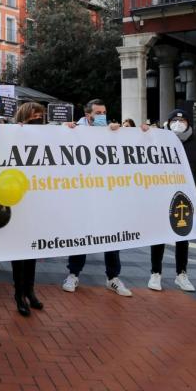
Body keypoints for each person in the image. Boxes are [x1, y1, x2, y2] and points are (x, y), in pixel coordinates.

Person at [62, 99, 132, 297]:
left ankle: (113, 278)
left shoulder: (111, 131)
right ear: (88, 115)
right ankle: (73, 274)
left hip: (107, 194)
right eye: (98, 112)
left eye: (104, 112)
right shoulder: (75, 130)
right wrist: (65, 129)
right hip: (83, 194)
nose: (102, 115)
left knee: (112, 234)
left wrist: (129, 132)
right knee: (81, 234)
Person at [148, 109, 196, 293]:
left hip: (187, 197)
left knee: (183, 236)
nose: (178, 123)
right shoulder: (158, 141)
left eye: (182, 121)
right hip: (162, 195)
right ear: (167, 123)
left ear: (188, 124)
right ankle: (155, 273)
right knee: (158, 236)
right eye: (174, 120)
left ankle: (181, 274)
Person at [9, 102, 46, 315]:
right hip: (17, 197)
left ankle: (29, 290)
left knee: (32, 250)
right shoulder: (12, 135)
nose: (38, 120)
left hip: (37, 199)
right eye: (34, 117)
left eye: (40, 116)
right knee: (19, 251)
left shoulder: (46, 136)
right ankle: (19, 294)